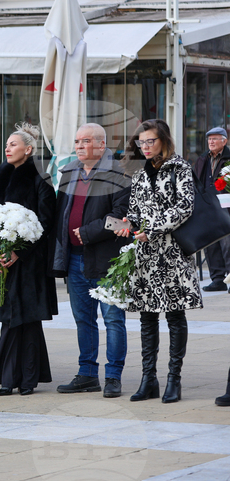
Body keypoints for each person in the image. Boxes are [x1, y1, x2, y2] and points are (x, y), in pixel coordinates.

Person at [117, 119, 202, 404]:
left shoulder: (181, 168)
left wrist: (151, 228)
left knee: (175, 316)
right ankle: (148, 379)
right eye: (141, 143)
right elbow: (134, 207)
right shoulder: (139, 173)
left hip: (173, 252)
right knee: (146, 317)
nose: (145, 147)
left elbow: (185, 207)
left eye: (150, 141)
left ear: (164, 140)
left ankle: (173, 379)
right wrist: (130, 223)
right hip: (145, 254)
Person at [53, 123, 131, 399]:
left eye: (85, 141)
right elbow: (59, 212)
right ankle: (87, 374)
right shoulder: (69, 171)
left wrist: (87, 232)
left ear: (101, 144)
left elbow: (122, 216)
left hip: (107, 259)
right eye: (76, 141)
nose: (79, 146)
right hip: (74, 258)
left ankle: (113, 376)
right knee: (83, 319)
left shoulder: (119, 174)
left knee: (113, 319)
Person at [0, 123, 58, 396]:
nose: (7, 148)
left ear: (28, 149)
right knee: (9, 318)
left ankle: (25, 379)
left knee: (27, 319)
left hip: (30, 263)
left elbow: (46, 222)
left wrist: (18, 252)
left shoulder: (41, 179)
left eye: (13, 144)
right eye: (6, 144)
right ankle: (10, 378)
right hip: (3, 261)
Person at [193, 127, 230, 292]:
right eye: (209, 139)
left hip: (226, 207)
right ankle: (218, 279)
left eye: (215, 139)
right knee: (211, 244)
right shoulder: (202, 159)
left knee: (227, 244)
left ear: (224, 141)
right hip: (208, 207)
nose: (211, 142)